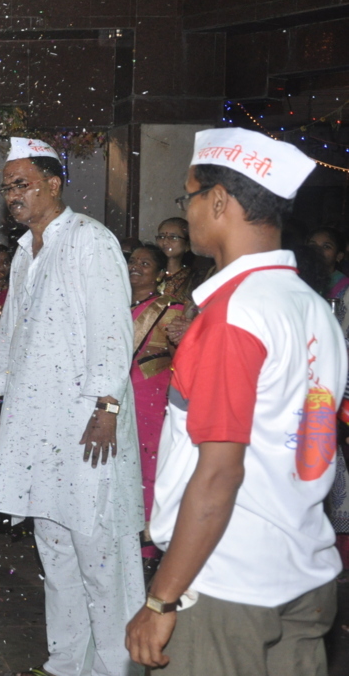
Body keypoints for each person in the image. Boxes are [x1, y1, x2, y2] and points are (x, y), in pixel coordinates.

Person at [126, 129, 347, 675]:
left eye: (188, 197)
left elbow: (219, 473)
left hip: (227, 581)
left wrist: (162, 599)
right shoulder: (311, 306)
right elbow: (317, 439)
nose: (187, 212)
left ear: (219, 201)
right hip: (304, 570)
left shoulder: (233, 316)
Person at [0, 137, 144, 676]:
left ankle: (115, 668)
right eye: (6, 187)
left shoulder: (89, 240)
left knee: (100, 555)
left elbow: (113, 329)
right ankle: (66, 664)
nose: (12, 194)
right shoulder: (24, 254)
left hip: (87, 422)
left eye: (22, 184)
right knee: (55, 552)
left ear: (53, 185)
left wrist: (107, 406)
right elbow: (12, 335)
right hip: (37, 425)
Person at [126, 244, 183, 571]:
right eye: (133, 261)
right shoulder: (113, 303)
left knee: (149, 472)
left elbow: (184, 358)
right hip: (117, 401)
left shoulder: (171, 309)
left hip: (151, 401)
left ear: (161, 274)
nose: (136, 266)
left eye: (145, 263)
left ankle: (147, 550)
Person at [155, 217, 199, 302]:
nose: (165, 242)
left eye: (173, 237)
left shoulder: (194, 278)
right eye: (161, 237)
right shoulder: (150, 273)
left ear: (187, 245)